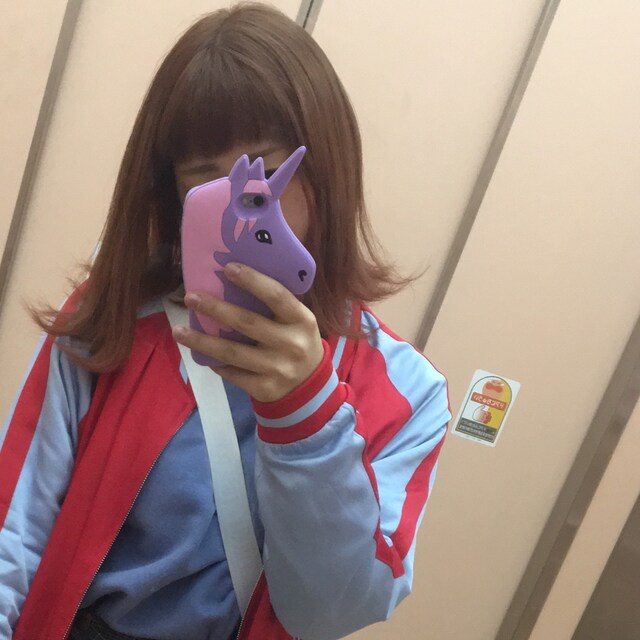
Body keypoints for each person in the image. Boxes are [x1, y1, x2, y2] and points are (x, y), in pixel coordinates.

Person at [0, 3, 451, 640]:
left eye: (264, 171)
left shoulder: (406, 391)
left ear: (325, 169)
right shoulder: (114, 314)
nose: (238, 211)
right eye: (204, 179)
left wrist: (305, 416)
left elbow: (329, 613)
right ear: (170, 192)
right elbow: (13, 528)